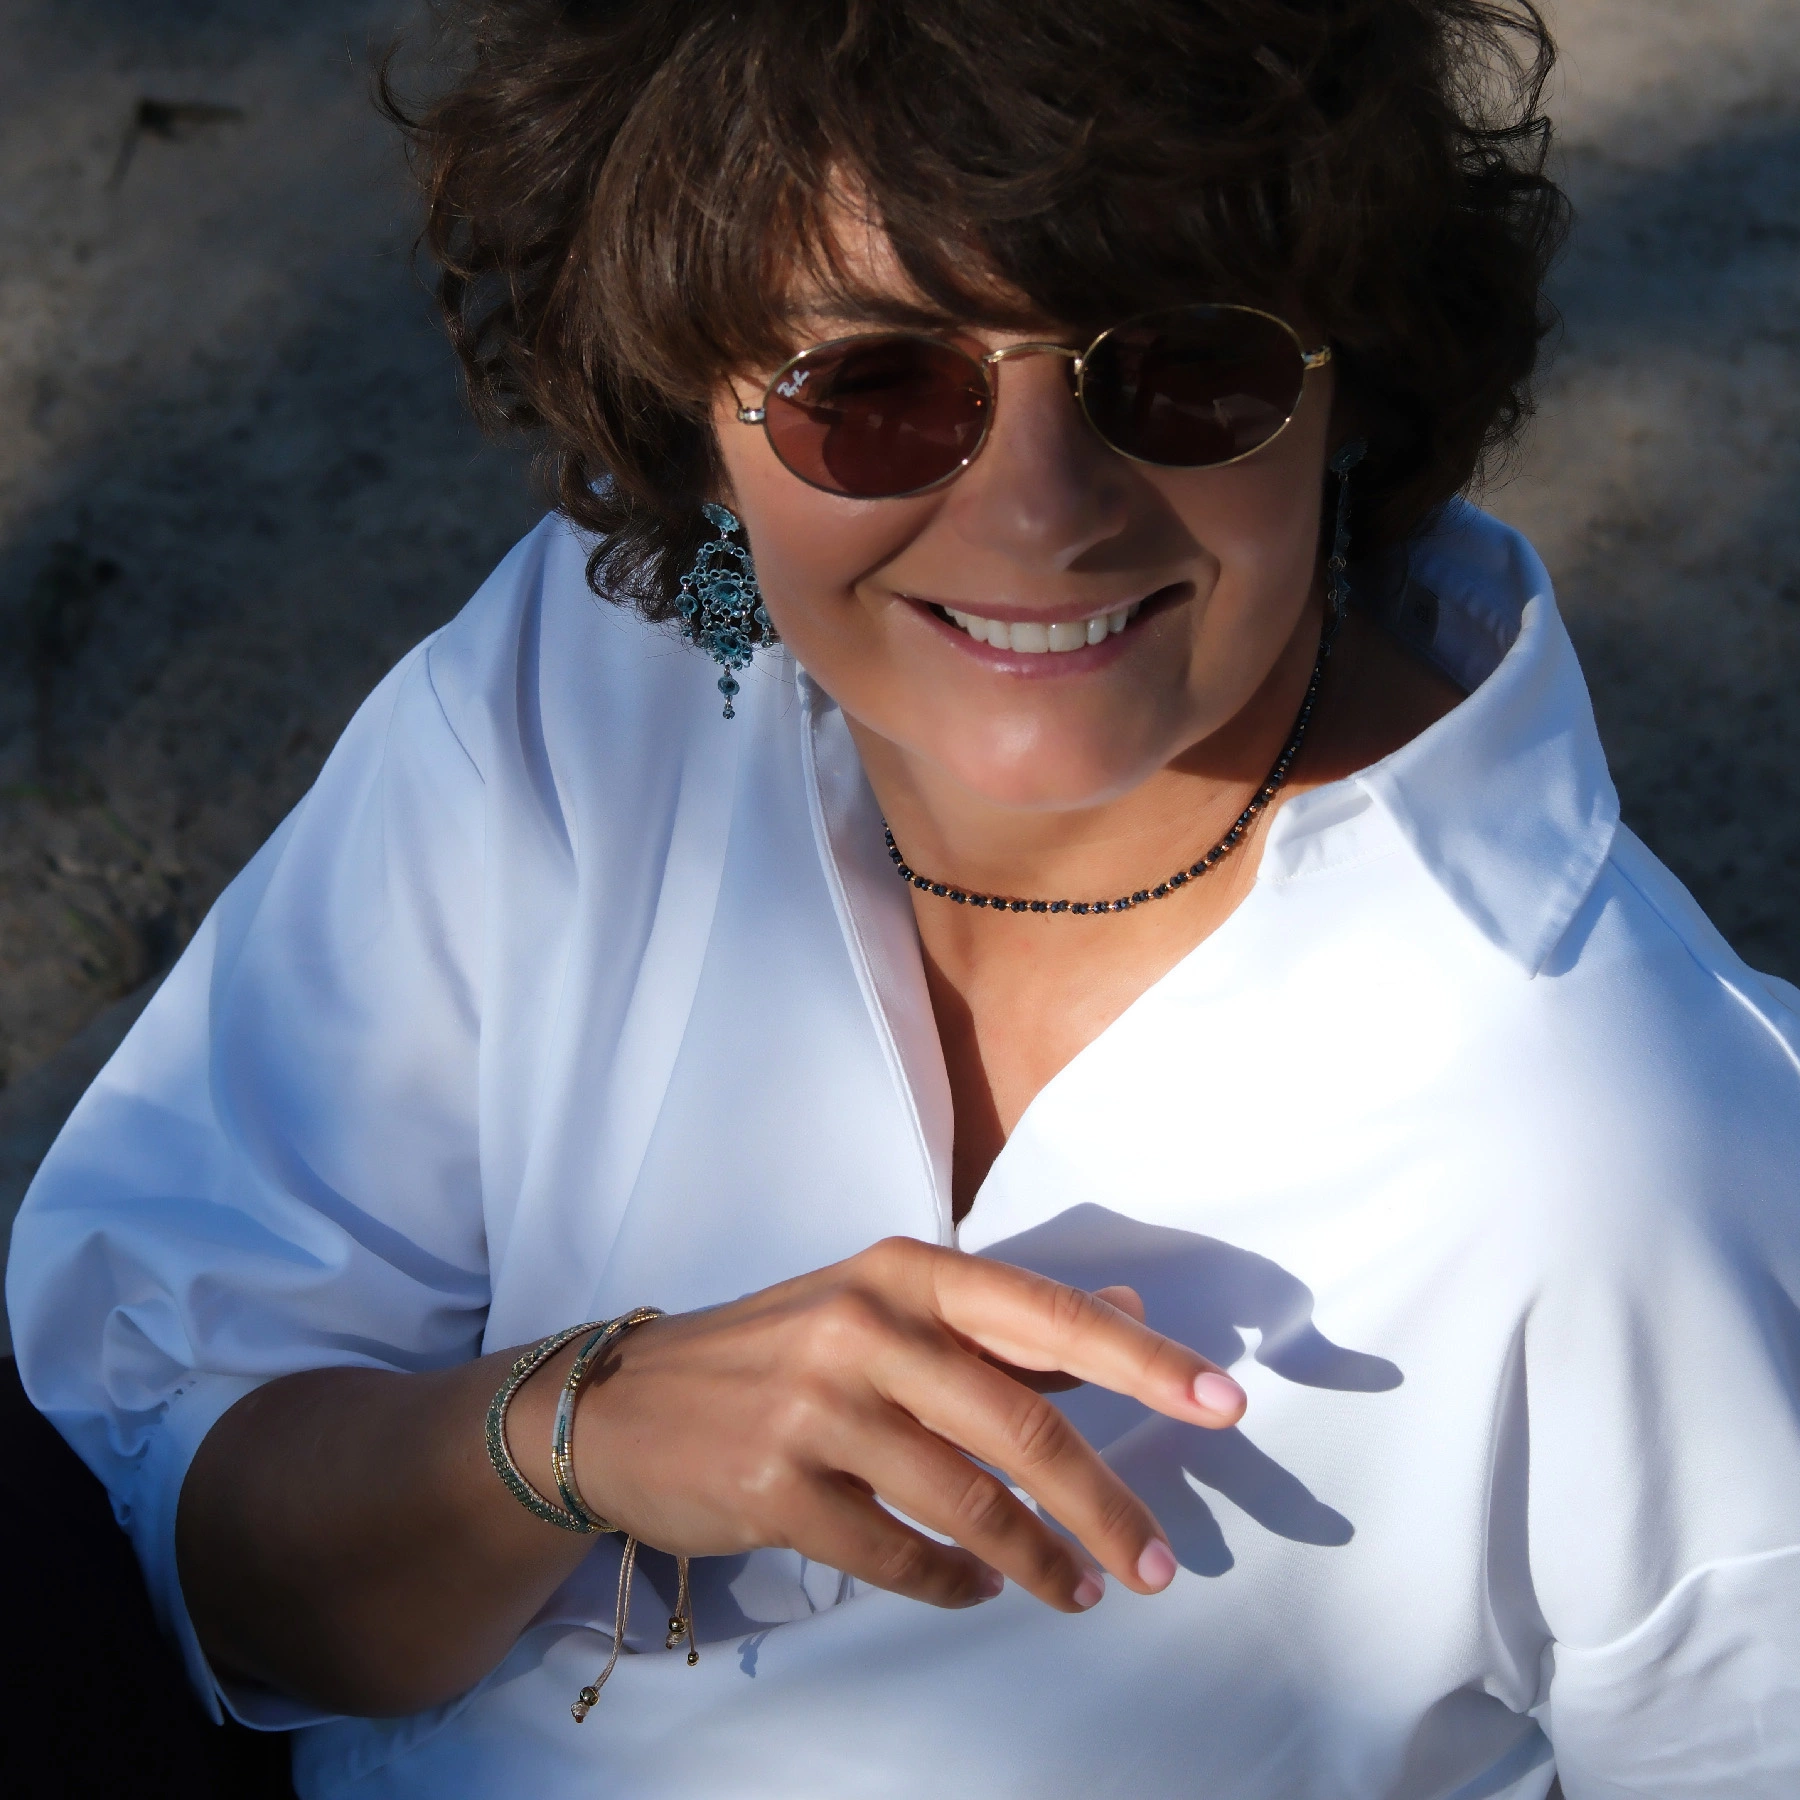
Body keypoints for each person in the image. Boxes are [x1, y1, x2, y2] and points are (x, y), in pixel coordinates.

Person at [9, 1, 1800, 1794]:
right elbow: (184, 1552)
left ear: (1357, 385)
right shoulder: (608, 677)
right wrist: (565, 1434)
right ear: (689, 410)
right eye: (873, 389)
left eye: (1188, 367)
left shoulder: (1621, 1149)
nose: (1041, 515)